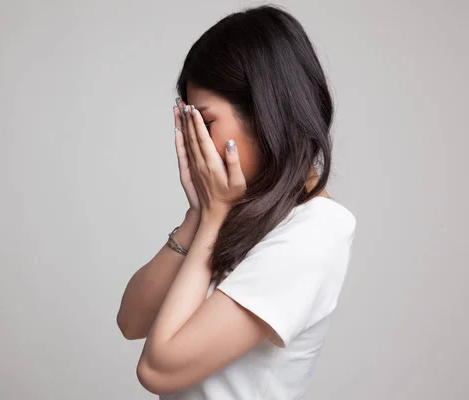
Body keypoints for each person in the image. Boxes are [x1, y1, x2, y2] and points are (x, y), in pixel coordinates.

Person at [116, 4, 356, 399]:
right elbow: (131, 320)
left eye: (206, 123)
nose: (197, 144)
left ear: (266, 113)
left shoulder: (316, 231)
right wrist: (197, 217)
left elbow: (158, 369)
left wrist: (212, 218)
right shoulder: (237, 210)